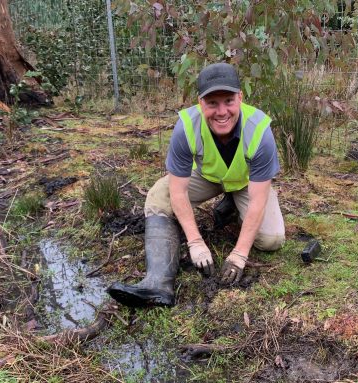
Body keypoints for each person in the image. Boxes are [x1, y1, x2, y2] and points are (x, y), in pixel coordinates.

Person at [107, 63, 285, 307]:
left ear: (240, 98)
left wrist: (239, 254)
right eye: (212, 103)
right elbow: (178, 191)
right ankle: (157, 282)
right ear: (200, 102)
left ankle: (232, 203)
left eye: (229, 101)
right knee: (160, 196)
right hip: (207, 178)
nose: (222, 111)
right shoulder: (186, 127)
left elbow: (258, 199)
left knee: (271, 240)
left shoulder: (260, 131)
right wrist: (195, 242)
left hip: (246, 185)